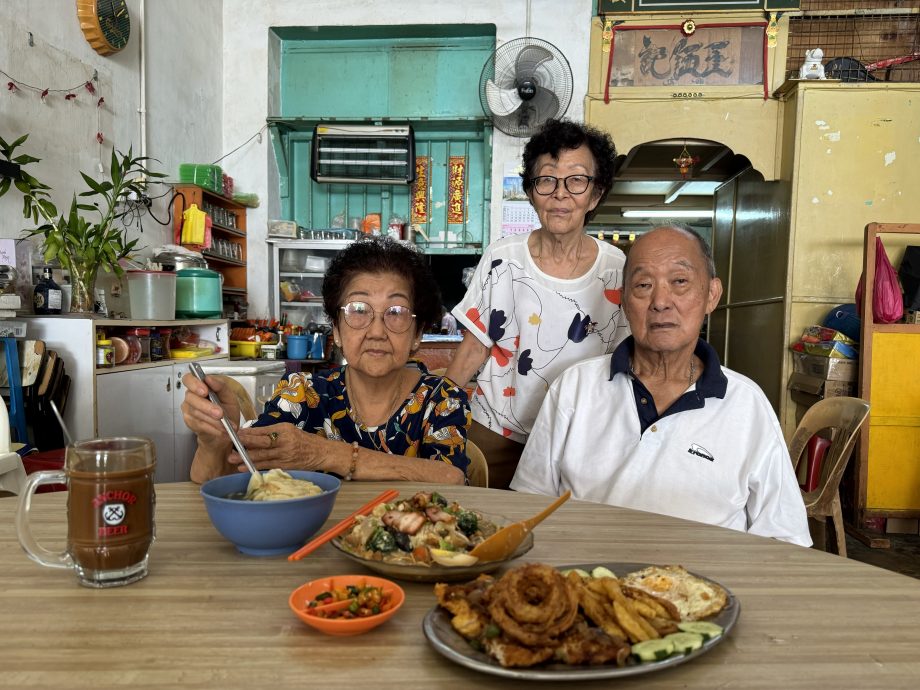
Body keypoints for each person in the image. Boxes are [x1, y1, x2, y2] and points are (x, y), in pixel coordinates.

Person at [511, 225, 811, 546]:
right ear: (624, 300)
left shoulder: (747, 405)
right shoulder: (574, 387)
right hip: (591, 581)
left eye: (679, 282)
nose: (660, 301)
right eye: (643, 285)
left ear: (711, 295)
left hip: (705, 589)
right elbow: (529, 508)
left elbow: (785, 537)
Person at [182, 235, 471, 486]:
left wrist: (328, 454)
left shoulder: (441, 399)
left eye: (395, 312)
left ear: (417, 334)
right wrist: (218, 441)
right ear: (336, 329)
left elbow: (453, 478)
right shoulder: (304, 394)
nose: (377, 331)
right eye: (359, 310)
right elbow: (230, 478)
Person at [446, 118, 630, 490]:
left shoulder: (618, 271)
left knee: (566, 537)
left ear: (595, 194)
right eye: (546, 180)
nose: (560, 194)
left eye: (577, 180)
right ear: (531, 192)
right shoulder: (503, 258)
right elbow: (475, 345)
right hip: (496, 431)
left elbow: (625, 360)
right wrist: (433, 410)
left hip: (580, 437)